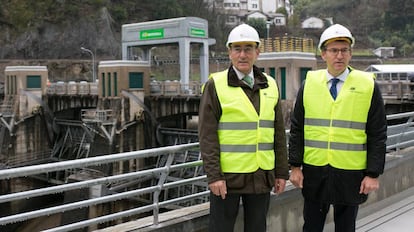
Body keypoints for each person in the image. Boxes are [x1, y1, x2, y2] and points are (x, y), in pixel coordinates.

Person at [288, 24, 387, 232]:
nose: (339, 56)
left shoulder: (367, 84)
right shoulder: (310, 83)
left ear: (350, 54)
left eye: (344, 50)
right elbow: (297, 128)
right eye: (333, 50)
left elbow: (377, 133)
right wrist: (295, 167)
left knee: (346, 227)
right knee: (312, 226)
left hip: (351, 173)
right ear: (323, 54)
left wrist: (373, 173)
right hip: (315, 171)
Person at [198, 23, 289, 232]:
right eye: (237, 49)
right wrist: (214, 176)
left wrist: (281, 173)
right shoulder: (215, 85)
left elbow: (278, 134)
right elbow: (207, 136)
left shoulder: (271, 84)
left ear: (257, 52)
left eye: (248, 48)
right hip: (227, 178)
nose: (242, 54)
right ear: (229, 52)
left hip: (261, 175)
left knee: (257, 228)